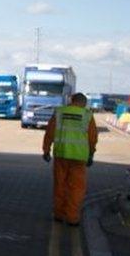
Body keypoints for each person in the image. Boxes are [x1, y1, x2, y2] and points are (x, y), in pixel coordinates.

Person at [42, 92, 98, 225]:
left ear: (71, 100)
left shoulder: (60, 112)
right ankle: (72, 218)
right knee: (76, 188)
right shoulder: (87, 115)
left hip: (61, 155)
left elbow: (49, 132)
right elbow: (92, 138)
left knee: (60, 185)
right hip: (79, 158)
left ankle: (59, 215)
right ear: (84, 103)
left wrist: (46, 150)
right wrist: (91, 154)